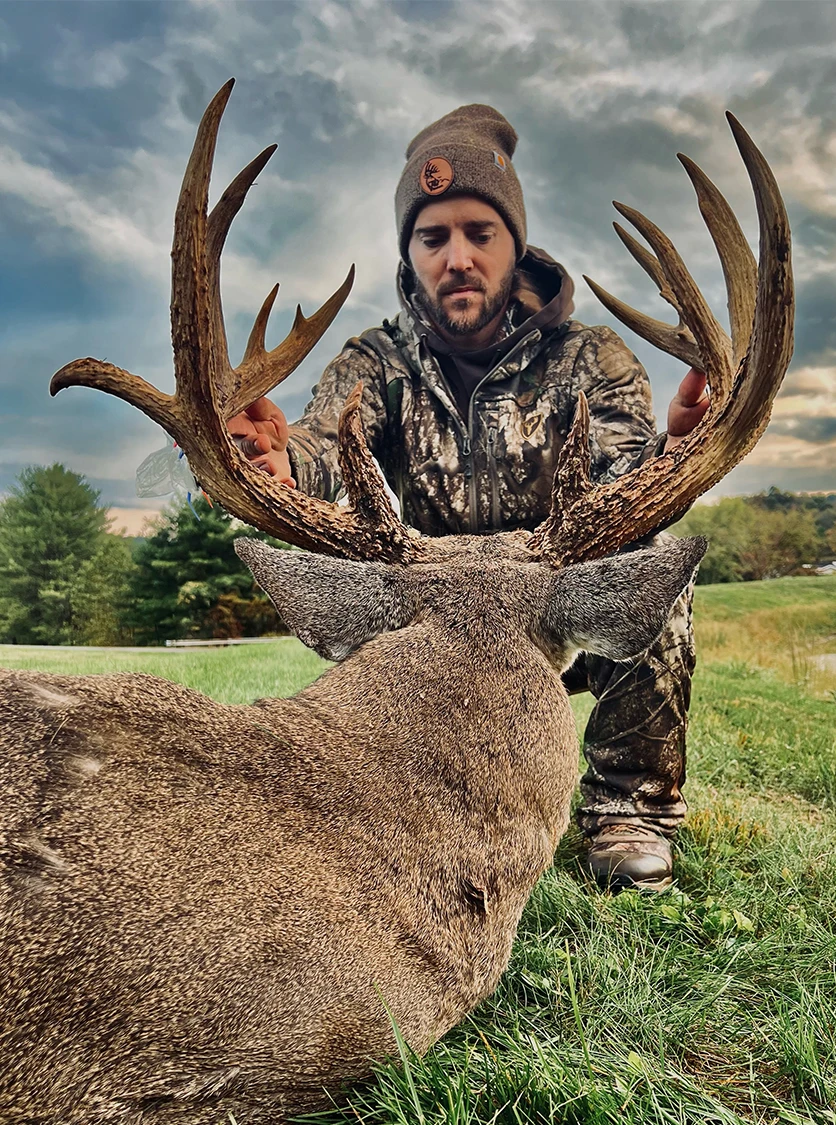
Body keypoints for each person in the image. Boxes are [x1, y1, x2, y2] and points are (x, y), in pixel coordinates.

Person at [224, 104, 708, 893]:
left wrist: (673, 456)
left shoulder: (592, 357)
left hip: (558, 618)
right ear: (410, 254)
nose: (457, 257)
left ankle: (628, 807)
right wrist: (274, 461)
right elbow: (319, 448)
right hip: (434, 626)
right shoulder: (373, 362)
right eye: (432, 236)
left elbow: (626, 489)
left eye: (479, 233)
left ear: (516, 246)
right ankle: (420, 792)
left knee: (650, 559)